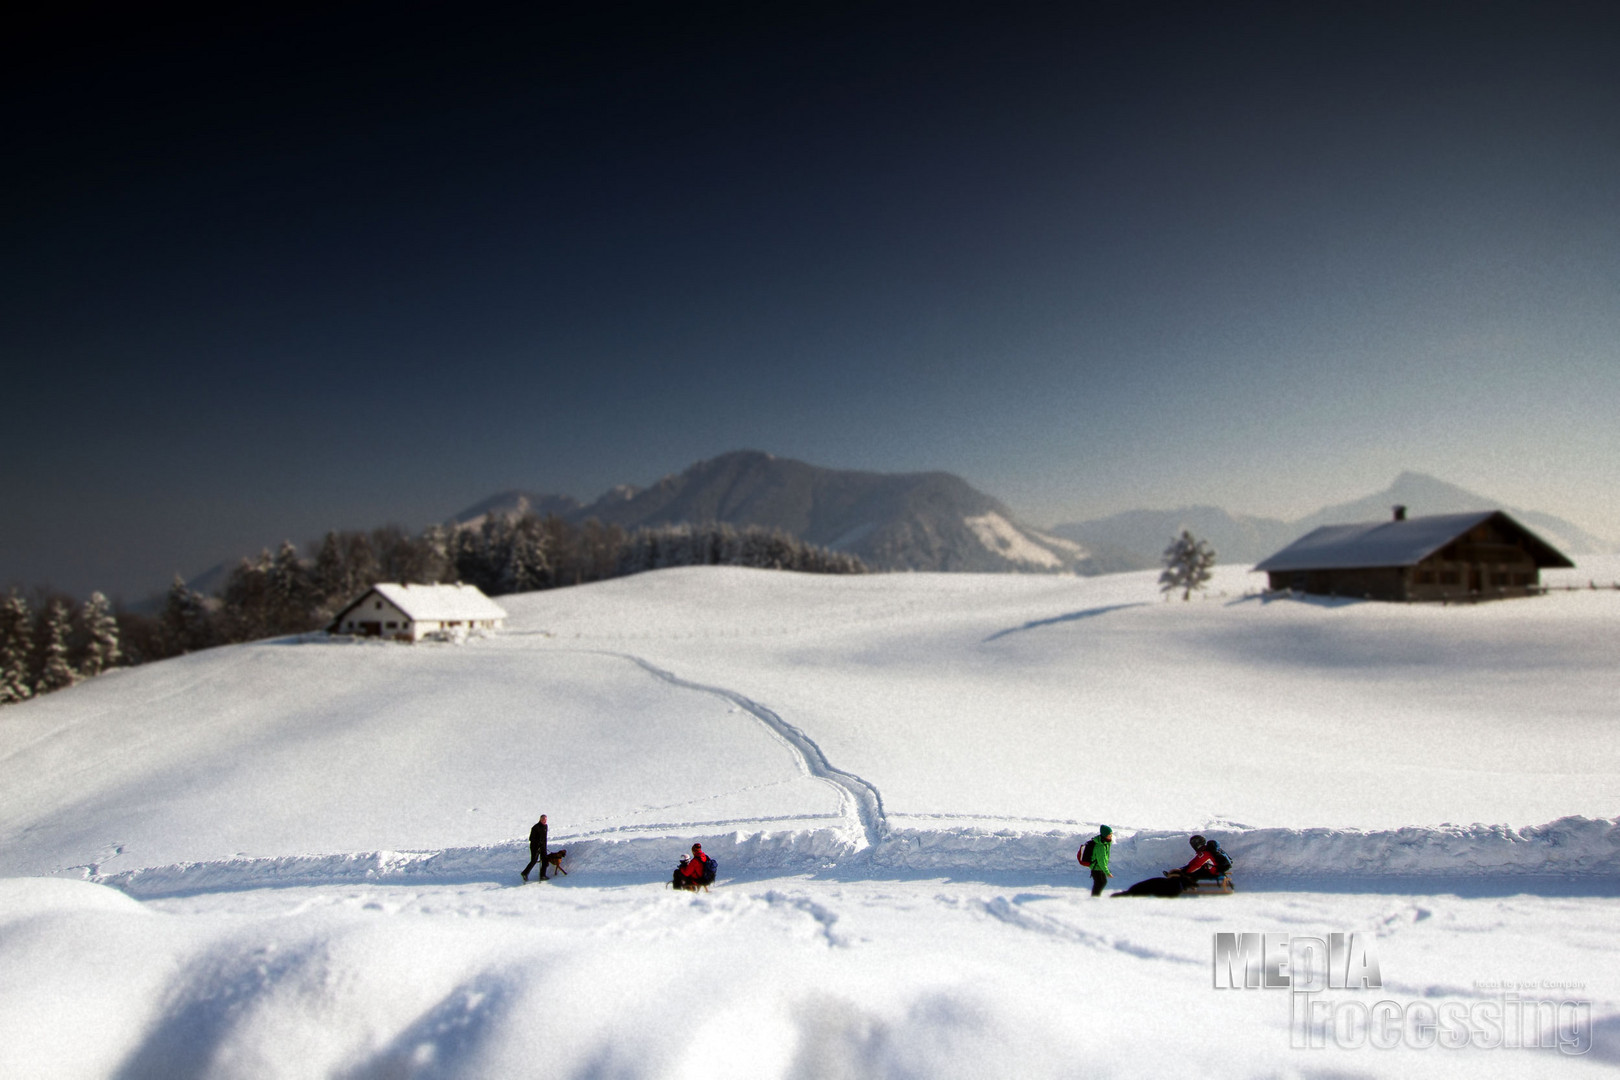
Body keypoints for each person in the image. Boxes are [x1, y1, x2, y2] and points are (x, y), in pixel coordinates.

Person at [1078, 825, 1114, 897]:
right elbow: (1101, 862)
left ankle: (1095, 897)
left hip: (1098, 867)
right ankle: (1094, 898)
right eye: (1110, 834)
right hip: (1096, 868)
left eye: (1111, 834)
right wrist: (1108, 872)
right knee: (1100, 883)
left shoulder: (1104, 842)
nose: (1111, 836)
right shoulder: (1101, 847)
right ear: (1105, 835)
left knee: (1101, 882)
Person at [520, 814, 549, 882]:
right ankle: (524, 873)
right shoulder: (535, 827)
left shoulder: (545, 826)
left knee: (545, 860)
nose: (544, 821)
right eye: (543, 820)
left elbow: (544, 838)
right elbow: (531, 838)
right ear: (540, 819)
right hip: (535, 847)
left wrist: (543, 845)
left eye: (545, 820)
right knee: (534, 860)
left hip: (543, 847)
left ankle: (543, 875)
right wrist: (538, 843)